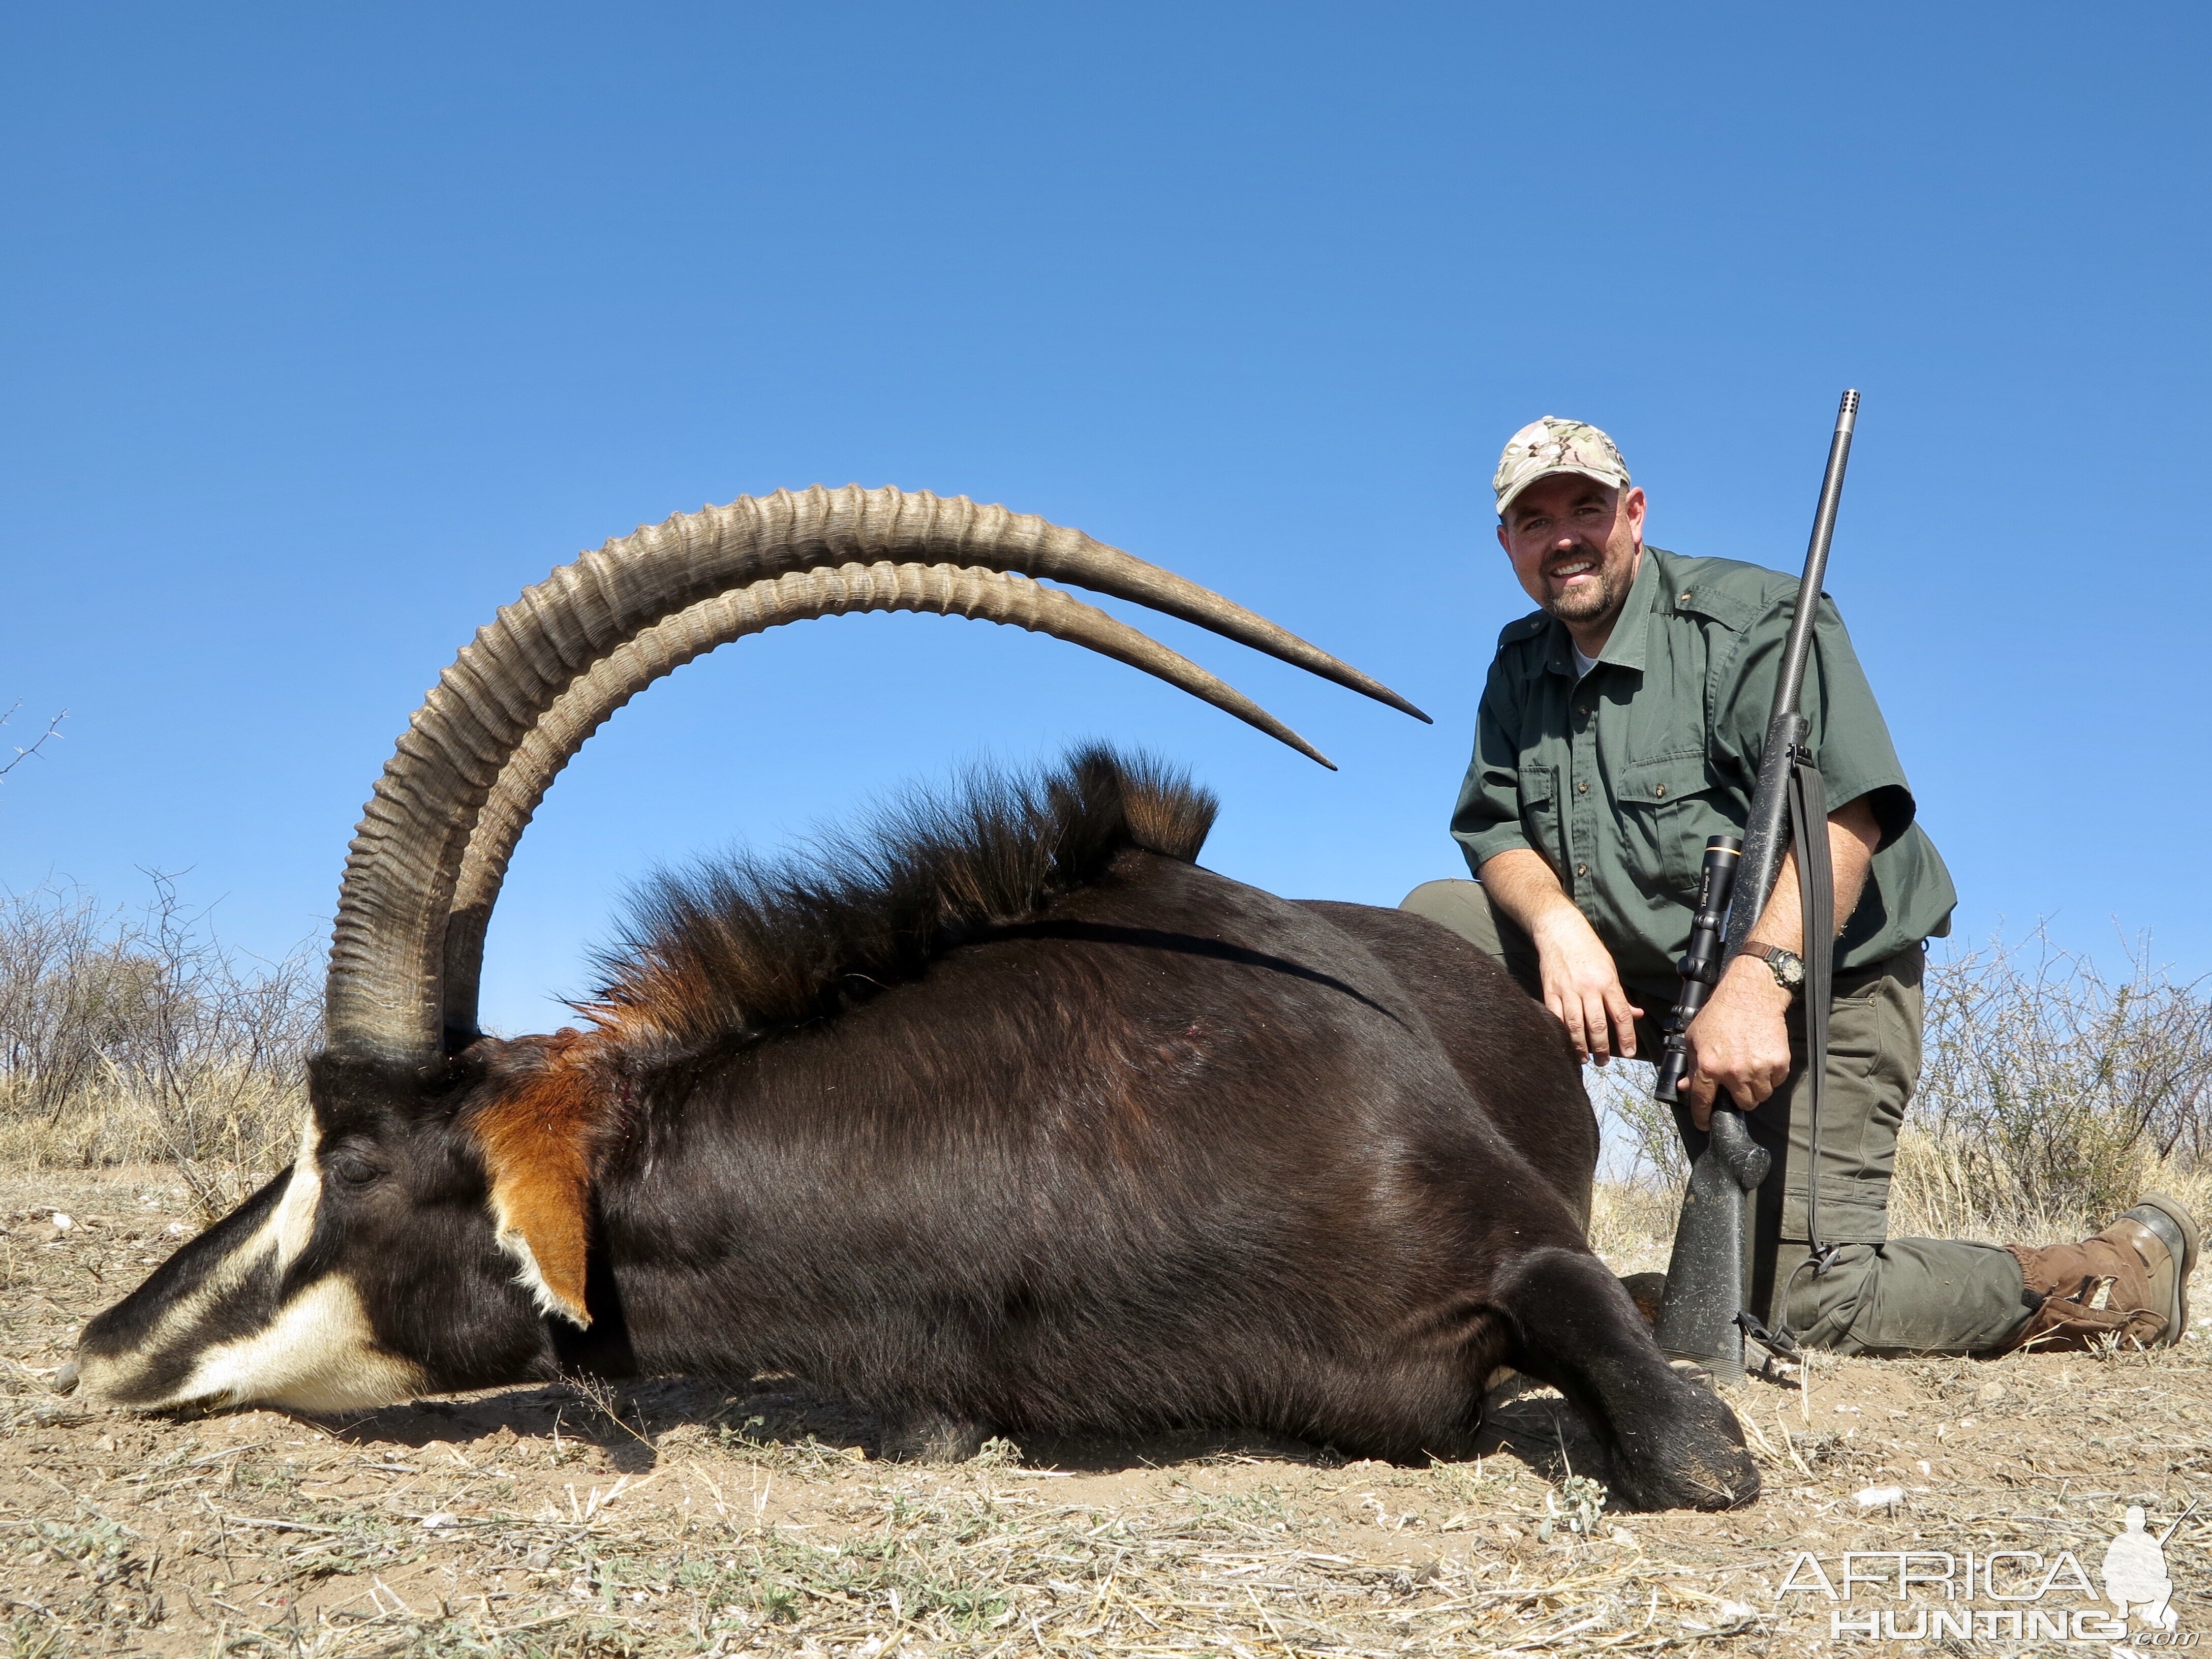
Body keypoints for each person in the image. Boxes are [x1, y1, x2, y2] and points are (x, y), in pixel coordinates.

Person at [1403, 415, 2197, 1355]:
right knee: (1432, 930)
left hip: (1826, 977)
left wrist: (1756, 982)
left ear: (1636, 513)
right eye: (1534, 521)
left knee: (1814, 1306)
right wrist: (1561, 934)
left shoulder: (1759, 620)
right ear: (1507, 544)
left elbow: (1851, 815)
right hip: (1652, 976)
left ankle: (2119, 1273)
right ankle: (1499, 1252)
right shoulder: (1519, 660)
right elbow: (1494, 827)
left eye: (1588, 507)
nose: (1565, 536)